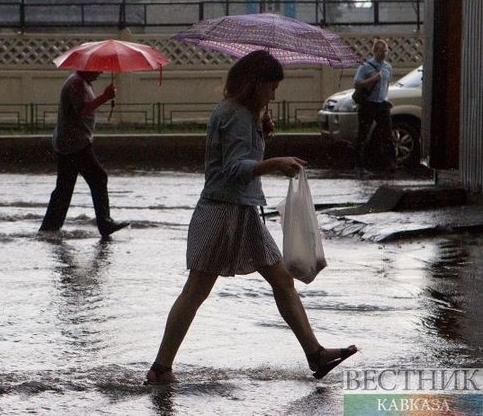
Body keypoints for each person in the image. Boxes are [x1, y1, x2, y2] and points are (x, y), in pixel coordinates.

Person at [145, 51, 357, 384]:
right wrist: (274, 162)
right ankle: (160, 368)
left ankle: (314, 353)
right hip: (223, 212)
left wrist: (262, 133)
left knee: (282, 280)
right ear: (255, 83)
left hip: (241, 211)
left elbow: (238, 157)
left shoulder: (240, 113)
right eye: (272, 86)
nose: (275, 94)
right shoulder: (236, 116)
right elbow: (232, 169)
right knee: (195, 291)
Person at [39, 70, 129, 237]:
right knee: (98, 177)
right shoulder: (76, 84)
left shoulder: (81, 82)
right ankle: (104, 222)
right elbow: (83, 109)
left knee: (64, 188)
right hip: (74, 143)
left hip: (70, 142)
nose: (100, 73)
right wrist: (105, 97)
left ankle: (49, 228)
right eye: (98, 70)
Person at [353, 39, 396, 177]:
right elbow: (357, 84)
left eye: (386, 51)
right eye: (382, 51)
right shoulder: (365, 66)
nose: (384, 53)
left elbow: (387, 84)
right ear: (376, 51)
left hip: (381, 103)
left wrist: (386, 99)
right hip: (368, 104)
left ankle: (391, 163)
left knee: (388, 134)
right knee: (363, 135)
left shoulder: (388, 67)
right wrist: (373, 78)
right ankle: (359, 165)